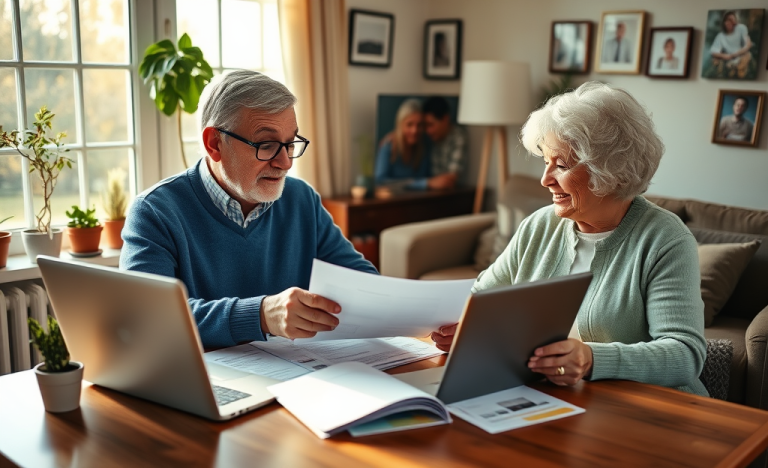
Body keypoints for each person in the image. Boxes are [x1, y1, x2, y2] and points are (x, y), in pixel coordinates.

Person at [431, 82, 708, 397]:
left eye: (560, 166)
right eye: (545, 162)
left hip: (649, 409)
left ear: (611, 172)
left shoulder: (665, 239)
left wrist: (592, 359)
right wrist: (464, 328)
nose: (545, 179)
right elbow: (481, 295)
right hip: (551, 399)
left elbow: (685, 355)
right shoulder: (538, 226)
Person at [120, 70, 377, 348]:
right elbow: (148, 320)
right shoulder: (154, 213)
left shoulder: (302, 199)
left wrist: (421, 316)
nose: (285, 162)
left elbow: (361, 281)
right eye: (267, 145)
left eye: (290, 143)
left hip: (299, 376)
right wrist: (261, 315)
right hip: (207, 382)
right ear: (214, 143)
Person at [375, 99, 453, 190]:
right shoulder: (388, 145)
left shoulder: (425, 145)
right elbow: (380, 181)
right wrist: (425, 183)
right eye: (409, 124)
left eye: (419, 125)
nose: (414, 130)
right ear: (400, 125)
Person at [423, 96, 467, 190]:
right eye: (425, 125)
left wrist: (430, 182)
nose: (428, 131)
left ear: (445, 119)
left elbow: (450, 178)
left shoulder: (458, 137)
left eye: (431, 125)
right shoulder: (428, 137)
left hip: (449, 194)